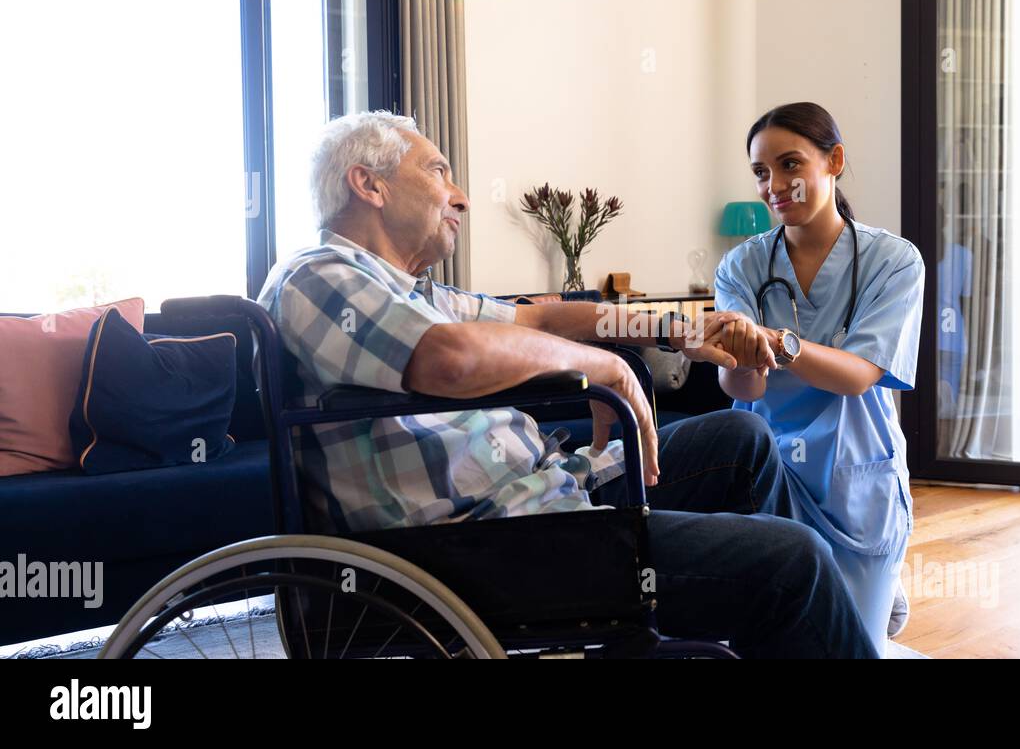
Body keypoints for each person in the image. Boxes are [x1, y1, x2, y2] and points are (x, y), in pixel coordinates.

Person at [256, 110, 881, 657]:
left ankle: (762, 630)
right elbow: (447, 359)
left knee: (740, 440)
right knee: (793, 561)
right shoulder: (320, 278)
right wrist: (607, 368)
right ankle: (761, 605)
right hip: (479, 545)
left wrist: (671, 328)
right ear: (368, 184)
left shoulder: (413, 294)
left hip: (541, 498)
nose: (461, 196)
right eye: (438, 172)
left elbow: (542, 314)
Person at [712, 102, 925, 652]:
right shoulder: (741, 268)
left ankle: (879, 587)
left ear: (834, 161)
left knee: (848, 646)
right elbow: (745, 390)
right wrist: (737, 357)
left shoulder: (893, 261)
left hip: (855, 477)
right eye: (761, 173)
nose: (774, 186)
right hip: (770, 469)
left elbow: (858, 376)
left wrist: (778, 342)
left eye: (789, 165)